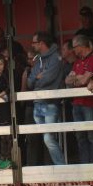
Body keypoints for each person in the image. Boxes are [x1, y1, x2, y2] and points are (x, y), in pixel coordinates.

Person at [65, 34, 93, 163]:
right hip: (76, 103)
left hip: (90, 103)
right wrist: (78, 78)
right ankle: (84, 167)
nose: (73, 50)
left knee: (92, 137)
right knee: (80, 137)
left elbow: (84, 80)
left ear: (81, 46)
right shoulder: (77, 61)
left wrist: (77, 78)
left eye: (74, 47)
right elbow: (67, 81)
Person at [28, 31, 66, 166]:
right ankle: (58, 167)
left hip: (50, 103)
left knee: (48, 138)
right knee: (46, 139)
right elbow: (29, 81)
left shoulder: (56, 58)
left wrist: (37, 79)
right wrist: (37, 78)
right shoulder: (38, 59)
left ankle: (62, 168)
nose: (32, 45)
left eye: (34, 42)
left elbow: (48, 79)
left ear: (41, 43)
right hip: (37, 103)